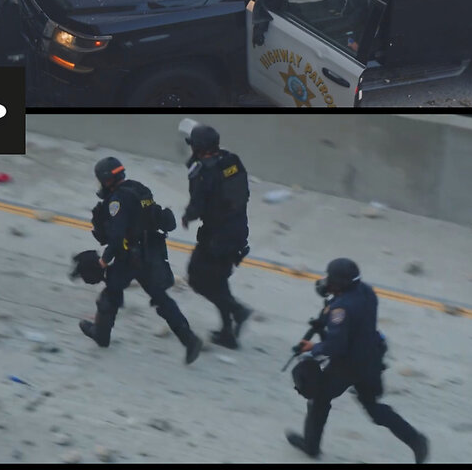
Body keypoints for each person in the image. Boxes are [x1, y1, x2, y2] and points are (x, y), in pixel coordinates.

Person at [287, 258, 430, 463]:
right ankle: (416, 440)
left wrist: (312, 348)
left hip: (347, 365)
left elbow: (336, 345)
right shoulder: (367, 292)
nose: (327, 281)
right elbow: (354, 322)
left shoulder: (341, 310)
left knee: (319, 400)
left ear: (340, 283)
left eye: (331, 279)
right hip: (371, 357)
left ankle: (311, 446)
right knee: (373, 408)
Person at [80, 157, 202, 364]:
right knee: (161, 298)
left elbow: (117, 236)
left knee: (110, 294)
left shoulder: (117, 201)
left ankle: (101, 335)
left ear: (107, 179)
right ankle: (189, 339)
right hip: (151, 253)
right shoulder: (139, 188)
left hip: (129, 257)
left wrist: (104, 261)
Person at [181, 124, 253, 349]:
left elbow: (197, 206)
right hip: (238, 230)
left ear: (198, 147)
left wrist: (186, 217)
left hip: (216, 237)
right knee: (219, 281)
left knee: (197, 279)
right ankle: (227, 334)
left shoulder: (203, 172)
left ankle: (238, 311)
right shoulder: (232, 161)